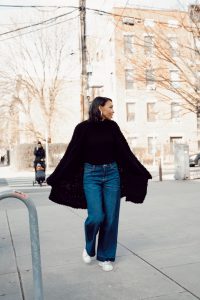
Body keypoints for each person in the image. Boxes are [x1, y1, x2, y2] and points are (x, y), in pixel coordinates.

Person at [46, 96, 152, 272]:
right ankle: (89, 247)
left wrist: (140, 171)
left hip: (112, 175)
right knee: (96, 216)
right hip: (91, 176)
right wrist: (56, 176)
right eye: (110, 107)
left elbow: (125, 152)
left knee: (111, 218)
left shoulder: (113, 127)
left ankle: (105, 256)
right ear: (99, 108)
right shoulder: (82, 128)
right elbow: (71, 154)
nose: (113, 110)